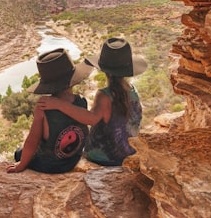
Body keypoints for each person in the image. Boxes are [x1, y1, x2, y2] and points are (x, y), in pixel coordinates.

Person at [37, 37, 147, 166]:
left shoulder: (105, 96)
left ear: (103, 70)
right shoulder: (133, 91)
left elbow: (91, 119)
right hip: (128, 152)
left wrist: (59, 104)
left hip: (104, 156)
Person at [6, 48, 93, 173]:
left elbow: (33, 139)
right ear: (73, 80)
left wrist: (21, 165)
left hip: (50, 165)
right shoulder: (81, 102)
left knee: (19, 153)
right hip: (73, 159)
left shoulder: (43, 108)